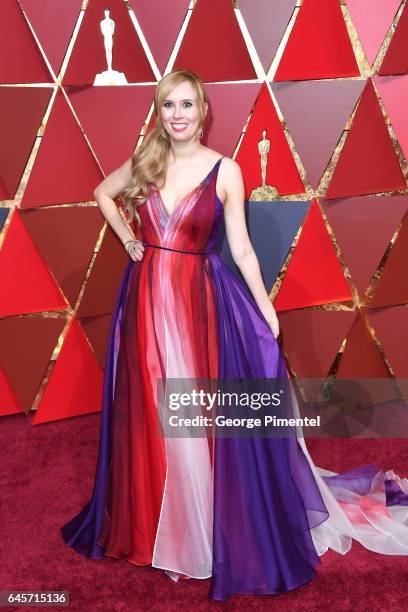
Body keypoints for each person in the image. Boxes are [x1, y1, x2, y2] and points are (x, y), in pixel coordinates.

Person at [61, 68, 408, 602]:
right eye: (169, 106)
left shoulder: (226, 170)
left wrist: (265, 307)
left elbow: (241, 248)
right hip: (146, 302)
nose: (178, 115)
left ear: (204, 112)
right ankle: (160, 526)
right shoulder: (146, 162)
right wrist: (130, 239)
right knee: (150, 411)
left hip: (198, 302)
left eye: (187, 106)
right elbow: (102, 193)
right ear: (160, 111)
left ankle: (199, 533)